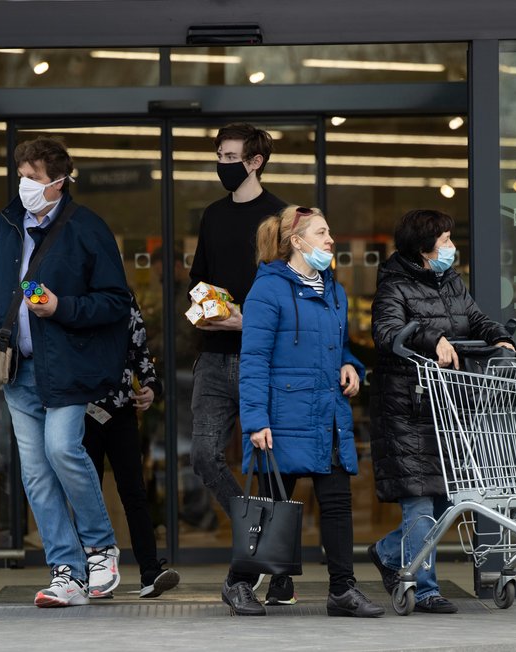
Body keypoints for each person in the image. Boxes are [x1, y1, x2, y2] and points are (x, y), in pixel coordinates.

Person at [0, 137, 131, 608]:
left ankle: (101, 548)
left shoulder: (87, 228)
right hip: (19, 370)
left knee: (62, 449)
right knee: (36, 474)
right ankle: (67, 571)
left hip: (67, 365)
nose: (25, 185)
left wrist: (61, 307)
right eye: (21, 175)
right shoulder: (5, 225)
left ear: (60, 183)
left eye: (35, 178)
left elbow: (115, 302)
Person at [235, 205, 385, 618]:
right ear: (297, 242)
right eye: (322, 233)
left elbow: (337, 349)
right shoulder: (267, 290)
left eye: (329, 231)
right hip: (282, 416)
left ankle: (343, 590)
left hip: (327, 414)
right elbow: (253, 360)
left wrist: (350, 365)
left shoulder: (334, 291)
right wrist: (256, 420)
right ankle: (239, 583)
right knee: (267, 508)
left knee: (337, 503)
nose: (330, 240)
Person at [367, 209, 516, 614]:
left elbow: (476, 319)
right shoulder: (394, 286)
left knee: (444, 502)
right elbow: (385, 332)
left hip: (450, 406)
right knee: (420, 498)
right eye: (446, 241)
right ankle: (424, 587)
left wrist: (501, 339)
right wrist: (434, 339)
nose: (452, 248)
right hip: (408, 408)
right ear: (424, 249)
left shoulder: (451, 282)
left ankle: (386, 551)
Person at [187, 124, 292, 604]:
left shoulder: (281, 218)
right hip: (213, 357)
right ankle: (259, 537)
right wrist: (205, 308)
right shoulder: (212, 215)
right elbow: (199, 279)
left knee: (270, 466)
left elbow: (294, 298)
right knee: (205, 455)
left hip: (264, 361)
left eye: (231, 156)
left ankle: (273, 564)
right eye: (219, 154)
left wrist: (246, 322)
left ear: (255, 161)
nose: (222, 163)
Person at [82, 294, 180, 599]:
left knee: (134, 491)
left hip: (121, 408)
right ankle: (90, 574)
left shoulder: (123, 296)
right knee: (86, 492)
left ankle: (150, 572)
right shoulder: (70, 292)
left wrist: (151, 386)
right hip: (80, 410)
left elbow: (139, 346)